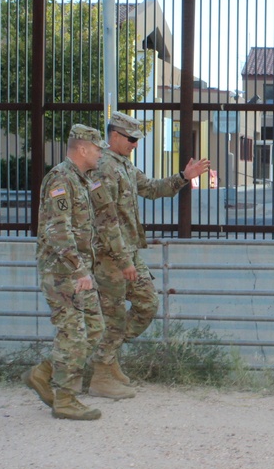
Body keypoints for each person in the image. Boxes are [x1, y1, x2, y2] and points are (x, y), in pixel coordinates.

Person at [86, 111, 211, 398]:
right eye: (131, 139)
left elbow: (152, 189)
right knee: (115, 316)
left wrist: (183, 177)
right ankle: (100, 375)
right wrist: (123, 260)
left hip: (128, 253)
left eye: (137, 139)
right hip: (111, 257)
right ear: (114, 135)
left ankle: (107, 357)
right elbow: (107, 220)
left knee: (146, 304)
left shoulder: (124, 166)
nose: (135, 144)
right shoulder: (104, 167)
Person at [23, 124, 123, 420]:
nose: (100, 154)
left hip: (79, 271)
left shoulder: (82, 179)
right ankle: (64, 399)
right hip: (62, 273)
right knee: (74, 333)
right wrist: (79, 269)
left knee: (94, 327)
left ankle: (44, 374)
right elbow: (57, 230)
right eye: (96, 149)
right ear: (82, 149)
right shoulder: (61, 179)